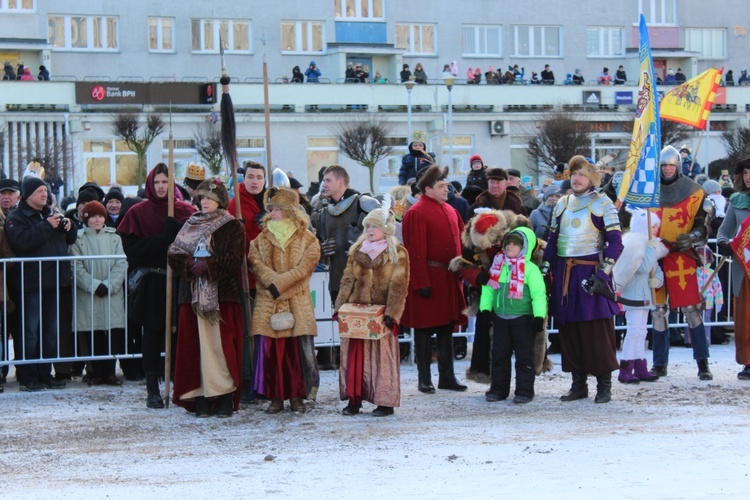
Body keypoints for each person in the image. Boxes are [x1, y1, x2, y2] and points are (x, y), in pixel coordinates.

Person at [543, 156, 623, 403]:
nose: (576, 178)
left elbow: (616, 243)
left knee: (596, 332)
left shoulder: (603, 204)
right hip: (565, 274)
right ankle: (578, 385)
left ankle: (604, 386)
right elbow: (553, 239)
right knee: (570, 331)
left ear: (592, 178)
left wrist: (603, 274)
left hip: (590, 274)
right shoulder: (562, 203)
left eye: (582, 174)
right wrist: (546, 267)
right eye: (573, 173)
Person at [117, 163, 196, 408]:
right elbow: (133, 252)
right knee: (152, 336)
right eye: (157, 182)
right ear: (150, 184)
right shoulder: (138, 213)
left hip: (180, 280)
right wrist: (162, 240)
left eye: (165, 182)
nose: (161, 187)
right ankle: (152, 388)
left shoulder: (186, 211)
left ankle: (181, 386)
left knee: (181, 333)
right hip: (152, 280)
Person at [168, 179, 244, 418]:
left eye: (210, 198)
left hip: (221, 296)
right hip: (191, 296)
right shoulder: (189, 224)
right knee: (196, 348)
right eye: (202, 198)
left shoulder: (232, 226)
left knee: (219, 348)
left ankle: (222, 396)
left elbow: (235, 258)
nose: (205, 202)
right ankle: (200, 395)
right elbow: (174, 252)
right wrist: (189, 263)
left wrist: (208, 265)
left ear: (220, 200)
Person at [248, 187, 321, 413]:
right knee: (272, 353)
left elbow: (304, 270)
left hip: (296, 303)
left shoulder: (308, 239)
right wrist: (273, 285)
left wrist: (280, 287)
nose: (274, 212)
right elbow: (256, 264)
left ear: (291, 211)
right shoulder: (260, 239)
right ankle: (275, 396)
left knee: (295, 353)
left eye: (279, 208)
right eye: (272, 209)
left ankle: (296, 396)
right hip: (269, 303)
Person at [334, 208, 409, 417]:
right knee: (354, 358)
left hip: (380, 314)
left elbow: (399, 285)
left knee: (381, 359)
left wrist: (392, 313)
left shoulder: (397, 252)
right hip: (357, 314)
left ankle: (384, 402)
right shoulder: (358, 250)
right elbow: (348, 279)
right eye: (367, 226)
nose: (370, 230)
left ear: (386, 228)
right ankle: (354, 399)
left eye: (375, 225)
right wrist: (340, 305)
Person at [5, 175, 77, 392]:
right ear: (27, 195)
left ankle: (45, 374)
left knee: (50, 332)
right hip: (30, 284)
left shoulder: (51, 213)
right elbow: (21, 242)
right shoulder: (16, 217)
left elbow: (69, 239)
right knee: (30, 332)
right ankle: (28, 376)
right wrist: (46, 227)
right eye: (39, 191)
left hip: (53, 283)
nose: (44, 194)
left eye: (45, 191)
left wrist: (69, 226)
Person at [402, 165, 468, 394]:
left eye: (447, 186)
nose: (446, 190)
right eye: (441, 186)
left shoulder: (450, 210)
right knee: (423, 330)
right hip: (429, 277)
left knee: (446, 328)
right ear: (428, 189)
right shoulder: (417, 212)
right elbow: (414, 250)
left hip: (449, 279)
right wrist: (421, 282)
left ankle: (447, 377)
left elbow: (463, 240)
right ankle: (424, 379)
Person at [649, 145, 712, 380]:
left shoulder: (694, 191)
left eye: (671, 165)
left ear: (678, 165)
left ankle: (703, 363)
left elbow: (703, 223)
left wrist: (693, 237)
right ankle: (659, 363)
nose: (667, 169)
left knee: (691, 309)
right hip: (655, 254)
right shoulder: (648, 191)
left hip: (680, 255)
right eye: (663, 165)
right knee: (658, 311)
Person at [479, 227, 546, 403]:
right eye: (508, 243)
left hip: (522, 318)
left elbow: (539, 294)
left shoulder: (530, 269)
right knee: (499, 355)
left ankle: (524, 391)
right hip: (501, 317)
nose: (509, 246)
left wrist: (539, 316)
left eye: (515, 244)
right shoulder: (498, 265)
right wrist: (485, 309)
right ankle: (498, 389)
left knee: (524, 357)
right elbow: (488, 289)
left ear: (524, 247)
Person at [70, 201, 127, 386]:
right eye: (93, 216)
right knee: (92, 333)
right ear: (86, 218)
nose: (97, 220)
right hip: (89, 295)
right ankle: (96, 372)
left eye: (100, 216)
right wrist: (94, 285)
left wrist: (109, 285)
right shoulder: (77, 239)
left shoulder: (114, 237)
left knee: (113, 332)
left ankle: (110, 372)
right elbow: (75, 266)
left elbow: (121, 262)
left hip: (111, 293)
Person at [226, 160, 266, 402]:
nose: (254, 182)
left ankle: (265, 379)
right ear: (244, 178)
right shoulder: (236, 204)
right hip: (246, 278)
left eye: (259, 177)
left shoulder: (269, 202)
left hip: (268, 278)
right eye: (250, 177)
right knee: (248, 331)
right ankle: (248, 381)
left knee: (265, 332)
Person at [612, 208, 664, 384]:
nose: (657, 230)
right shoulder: (634, 245)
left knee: (641, 331)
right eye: (654, 226)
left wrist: (658, 280)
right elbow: (642, 267)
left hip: (645, 294)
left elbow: (655, 269)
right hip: (633, 294)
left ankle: (640, 366)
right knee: (633, 331)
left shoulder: (649, 246)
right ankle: (625, 368)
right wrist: (650, 249)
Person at [717, 157, 750, 380]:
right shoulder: (737, 201)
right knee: (746, 318)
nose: (748, 177)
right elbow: (723, 232)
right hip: (744, 270)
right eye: (745, 173)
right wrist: (724, 245)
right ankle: (748, 361)